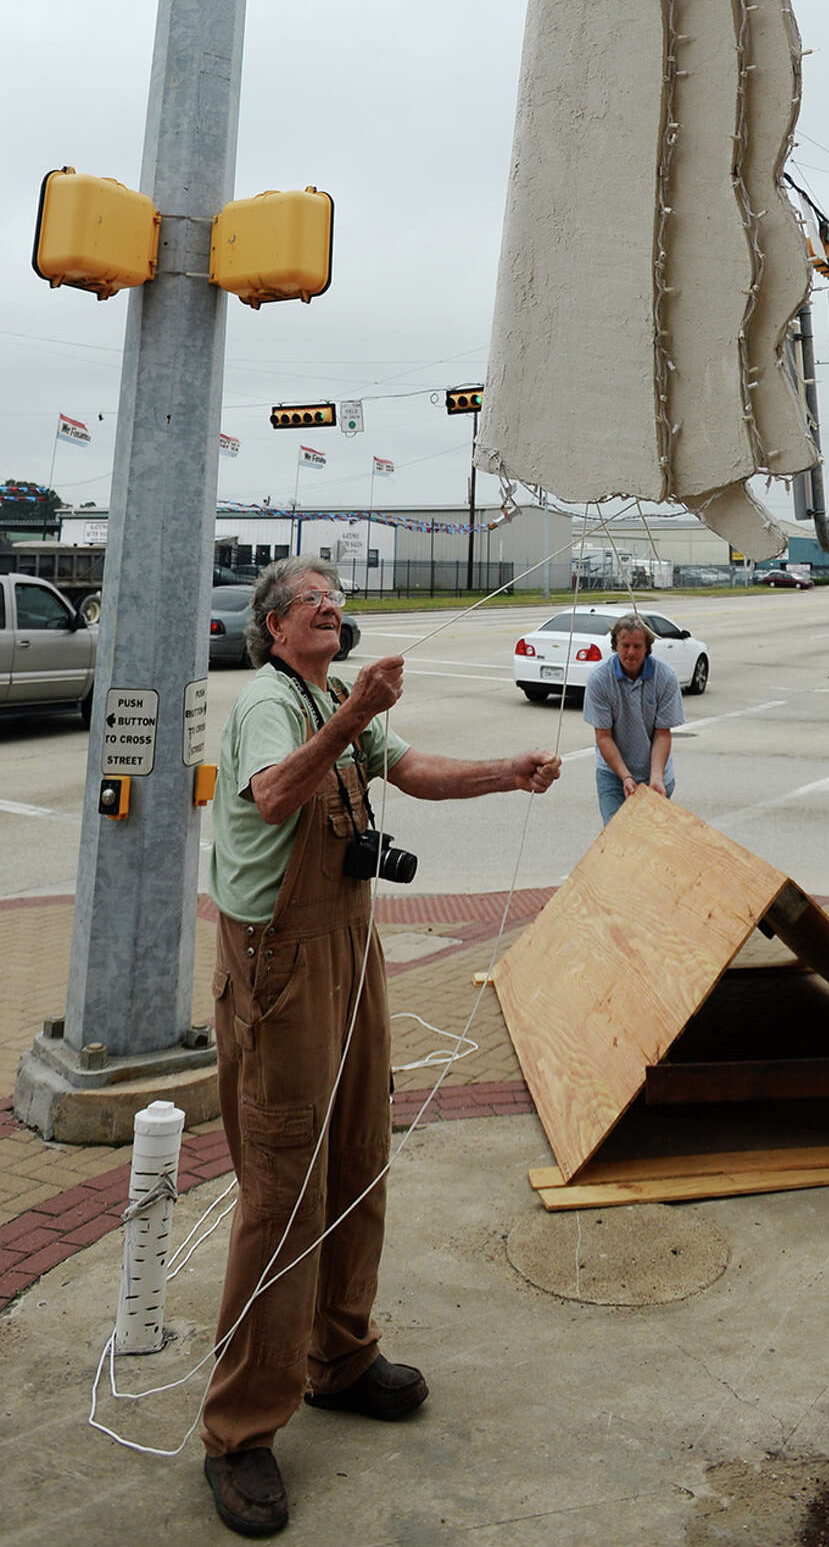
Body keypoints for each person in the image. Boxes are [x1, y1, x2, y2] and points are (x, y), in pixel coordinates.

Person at [200, 556, 560, 1539]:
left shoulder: (330, 694)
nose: (332, 606)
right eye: (313, 600)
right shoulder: (273, 704)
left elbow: (412, 771)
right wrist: (351, 716)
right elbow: (275, 794)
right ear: (275, 628)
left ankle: (342, 1356)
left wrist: (506, 772)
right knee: (283, 1186)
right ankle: (237, 1430)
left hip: (349, 948)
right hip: (278, 962)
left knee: (359, 1156)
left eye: (336, 599)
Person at [582, 612, 684, 825]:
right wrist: (626, 777)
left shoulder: (664, 677)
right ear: (615, 645)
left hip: (655, 771)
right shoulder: (600, 678)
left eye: (637, 646)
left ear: (647, 647)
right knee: (616, 837)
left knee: (651, 839)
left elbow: (663, 734)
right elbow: (603, 737)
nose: (630, 652)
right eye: (625, 645)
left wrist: (656, 778)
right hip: (613, 773)